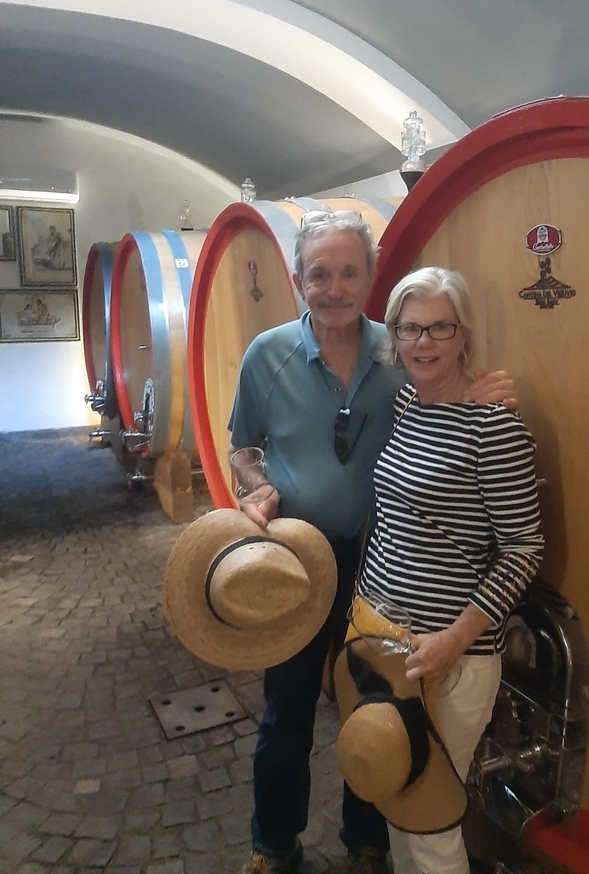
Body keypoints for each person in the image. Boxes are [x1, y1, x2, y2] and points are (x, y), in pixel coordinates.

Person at [227, 211, 519, 874]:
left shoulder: (402, 350)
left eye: (349, 272)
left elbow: (449, 401)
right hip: (296, 563)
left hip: (382, 570)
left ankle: (367, 840)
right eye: (319, 274)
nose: (334, 288)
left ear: (370, 276)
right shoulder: (266, 354)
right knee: (285, 713)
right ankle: (274, 841)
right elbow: (243, 447)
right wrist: (254, 485)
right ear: (298, 279)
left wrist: (485, 391)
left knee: (375, 707)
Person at [356, 266, 544, 874]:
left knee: (429, 817)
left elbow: (523, 549)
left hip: (449, 654)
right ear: (394, 335)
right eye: (410, 328)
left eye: (441, 327)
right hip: (384, 636)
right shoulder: (408, 403)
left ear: (464, 334)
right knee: (394, 793)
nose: (424, 342)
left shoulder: (494, 425)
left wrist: (454, 640)